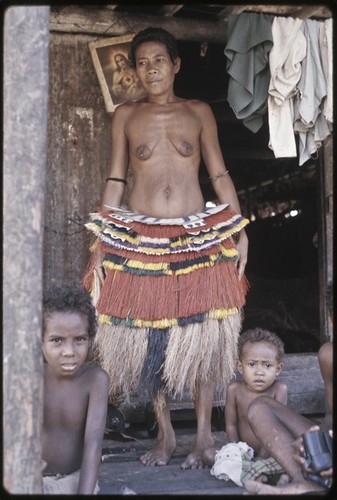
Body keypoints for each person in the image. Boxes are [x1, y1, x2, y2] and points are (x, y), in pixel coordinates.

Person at [83, 26, 249, 470]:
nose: (150, 68)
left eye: (159, 59)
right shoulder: (125, 115)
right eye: (141, 62)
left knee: (202, 334)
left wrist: (239, 228)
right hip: (141, 236)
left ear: (176, 65)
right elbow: (116, 179)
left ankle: (202, 439)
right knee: (149, 337)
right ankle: (167, 435)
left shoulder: (198, 112)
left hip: (197, 234)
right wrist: (102, 239)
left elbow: (218, 174)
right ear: (134, 71)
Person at [42, 283, 110, 494]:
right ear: (40, 340)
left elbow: (93, 445)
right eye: (57, 341)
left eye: (79, 339)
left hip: (75, 481)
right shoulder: (29, 377)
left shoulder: (95, 380)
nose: (69, 351)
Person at [244, 340, 333, 494]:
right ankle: (305, 481)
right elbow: (331, 417)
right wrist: (316, 436)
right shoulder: (329, 354)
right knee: (260, 408)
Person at [203, 328, 289, 485]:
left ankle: (254, 473)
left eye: (267, 365)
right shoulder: (234, 390)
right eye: (252, 364)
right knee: (209, 454)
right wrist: (236, 451)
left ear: (278, 369)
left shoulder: (279, 390)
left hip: (271, 451)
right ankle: (259, 474)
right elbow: (231, 425)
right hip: (242, 453)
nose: (259, 372)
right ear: (240, 367)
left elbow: (276, 430)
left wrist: (261, 457)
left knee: (288, 459)